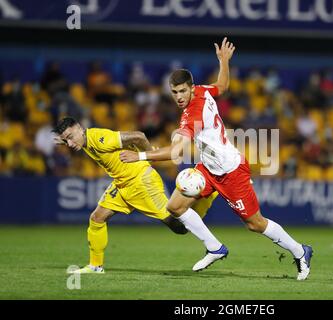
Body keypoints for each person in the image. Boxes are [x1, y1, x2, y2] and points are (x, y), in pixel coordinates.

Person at [119, 37, 313, 281]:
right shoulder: (201, 91)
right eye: (174, 92)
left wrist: (139, 156)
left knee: (255, 223)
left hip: (231, 170)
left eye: (182, 91)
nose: (178, 97)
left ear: (190, 88)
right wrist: (224, 61)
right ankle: (215, 248)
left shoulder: (192, 114)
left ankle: (300, 251)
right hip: (208, 167)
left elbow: (175, 152)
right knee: (174, 207)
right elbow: (221, 87)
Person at [52, 117, 216, 273]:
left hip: (141, 181)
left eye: (71, 137)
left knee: (178, 227)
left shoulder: (100, 138)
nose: (70, 143)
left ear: (80, 128)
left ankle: (205, 197)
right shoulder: (82, 140)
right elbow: (71, 139)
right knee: (97, 218)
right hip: (122, 183)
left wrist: (149, 154)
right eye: (67, 140)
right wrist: (65, 139)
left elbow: (138, 136)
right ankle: (95, 266)